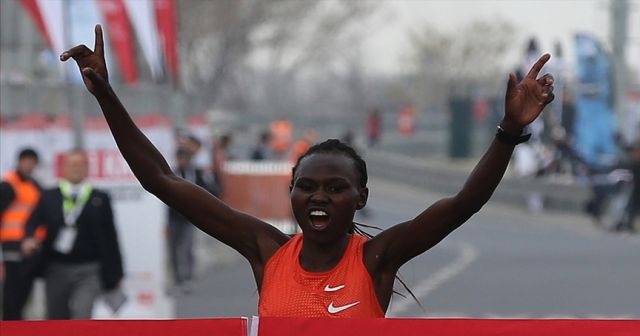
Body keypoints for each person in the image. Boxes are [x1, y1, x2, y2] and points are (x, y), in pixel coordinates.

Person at [60, 25, 554, 317]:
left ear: (360, 197)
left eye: (336, 189)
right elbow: (162, 181)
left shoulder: (377, 259)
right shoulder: (267, 250)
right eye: (307, 187)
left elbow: (464, 203)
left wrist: (508, 132)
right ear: (291, 192)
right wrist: (106, 94)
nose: (319, 198)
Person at [22, 149, 123, 319]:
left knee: (82, 313)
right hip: (56, 268)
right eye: (71, 164)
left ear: (86, 168)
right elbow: (32, 223)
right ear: (63, 168)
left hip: (89, 269)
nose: (75, 168)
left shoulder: (99, 198)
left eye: (80, 164)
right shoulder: (49, 196)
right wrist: (29, 239)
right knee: (56, 316)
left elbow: (110, 236)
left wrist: (116, 272)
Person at [0, 148, 42, 320]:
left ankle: (16, 321)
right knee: (12, 285)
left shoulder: (34, 185)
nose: (29, 164)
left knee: (25, 284)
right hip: (12, 241)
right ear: (19, 161)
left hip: (30, 243)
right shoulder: (9, 184)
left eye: (32, 161)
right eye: (26, 160)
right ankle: (10, 323)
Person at [167, 148, 211, 293]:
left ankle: (188, 278)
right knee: (173, 249)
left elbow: (206, 190)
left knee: (187, 248)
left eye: (184, 158)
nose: (182, 161)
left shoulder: (196, 173)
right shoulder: (171, 173)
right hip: (174, 217)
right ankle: (177, 279)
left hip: (190, 218)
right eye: (180, 158)